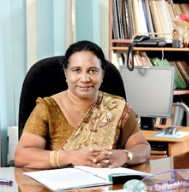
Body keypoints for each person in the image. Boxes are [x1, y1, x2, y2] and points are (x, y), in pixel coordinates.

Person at [15, 40, 151, 169]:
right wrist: (70, 157)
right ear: (66, 73)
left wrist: (125, 155)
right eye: (76, 70)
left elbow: (143, 147)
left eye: (93, 71)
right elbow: (22, 156)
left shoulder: (116, 107)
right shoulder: (47, 108)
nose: (85, 79)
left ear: (102, 74)